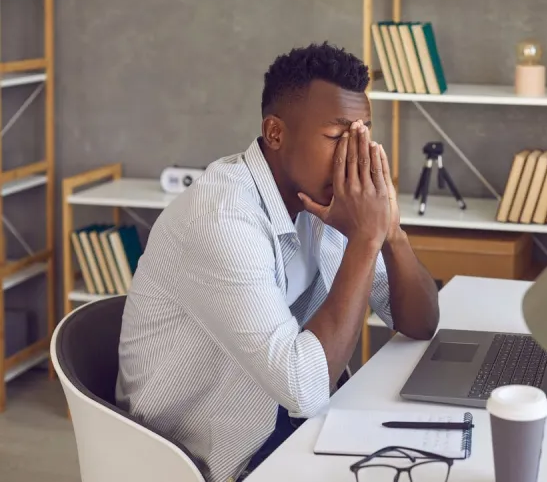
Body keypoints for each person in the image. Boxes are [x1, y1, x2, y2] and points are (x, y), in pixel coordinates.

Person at [115, 42, 440, 482]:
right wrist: (365, 237)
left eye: (362, 134)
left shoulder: (332, 201)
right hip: (213, 454)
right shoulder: (222, 218)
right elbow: (305, 390)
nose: (354, 155)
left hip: (293, 420)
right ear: (275, 133)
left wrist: (391, 231)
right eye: (336, 136)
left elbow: (419, 322)